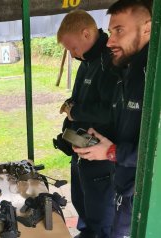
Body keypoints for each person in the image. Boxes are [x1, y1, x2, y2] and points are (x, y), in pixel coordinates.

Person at [73, 1, 152, 237]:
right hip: (123, 188)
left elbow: (156, 155)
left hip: (143, 199)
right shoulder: (127, 72)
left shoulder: (153, 78)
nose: (109, 41)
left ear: (147, 28)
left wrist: (112, 152)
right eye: (110, 32)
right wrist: (101, 141)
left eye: (119, 30)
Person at [57, 10, 117, 238]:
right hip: (81, 151)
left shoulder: (110, 61)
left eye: (73, 47)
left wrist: (77, 112)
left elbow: (112, 111)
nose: (72, 54)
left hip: (102, 156)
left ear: (86, 33)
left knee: (101, 218)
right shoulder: (87, 60)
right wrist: (66, 132)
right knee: (82, 205)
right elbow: (78, 102)